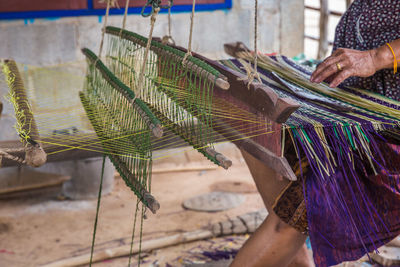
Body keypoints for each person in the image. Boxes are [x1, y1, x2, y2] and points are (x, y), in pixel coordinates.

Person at [231, 1, 400, 266]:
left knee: (295, 214)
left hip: (385, 133)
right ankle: (299, 262)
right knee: (255, 130)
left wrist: (376, 57)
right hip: (347, 117)